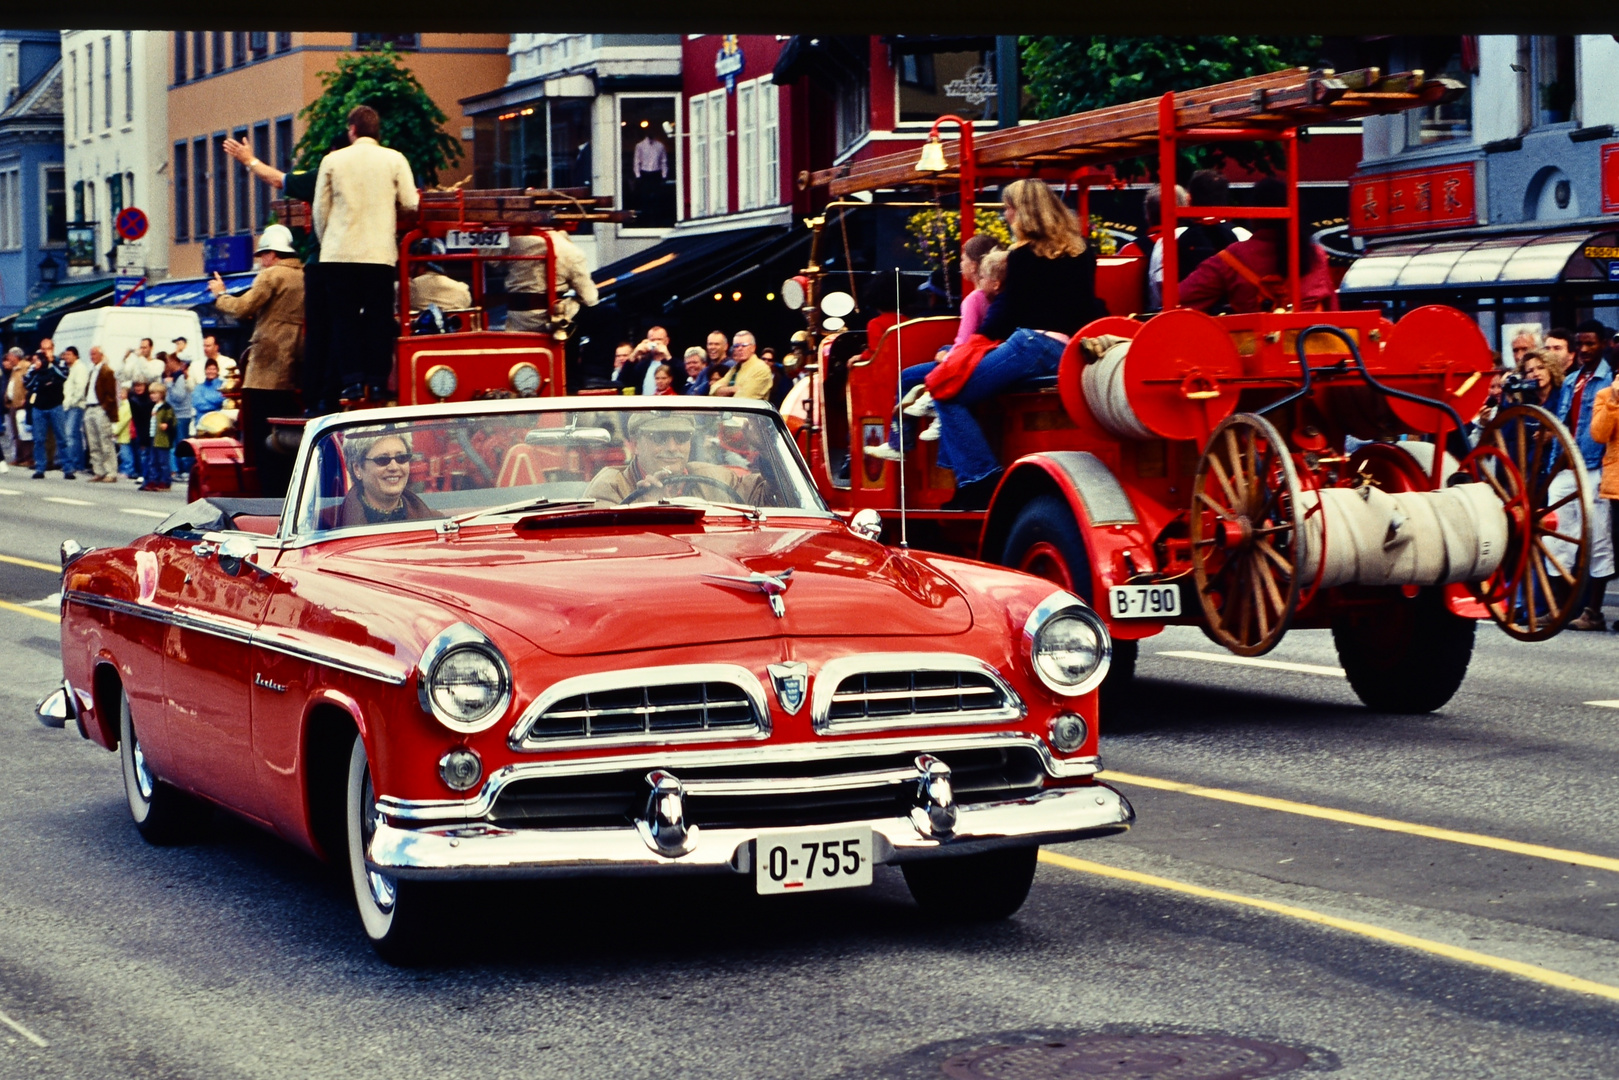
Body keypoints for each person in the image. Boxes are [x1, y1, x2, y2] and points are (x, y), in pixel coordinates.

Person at [934, 179, 1102, 510]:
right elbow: (1086, 308)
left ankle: (980, 479)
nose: (1006, 216)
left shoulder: (1022, 256)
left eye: (1008, 209)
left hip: (1030, 344)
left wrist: (975, 341)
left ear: (1023, 212)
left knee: (945, 389)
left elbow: (1009, 312)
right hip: (1065, 350)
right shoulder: (1083, 250)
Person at [312, 105, 419, 408]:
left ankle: (352, 383)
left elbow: (320, 210)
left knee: (343, 319)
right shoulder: (394, 159)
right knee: (379, 318)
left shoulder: (332, 160)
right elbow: (411, 202)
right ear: (376, 130)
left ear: (352, 130)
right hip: (378, 253)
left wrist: (328, 241)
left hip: (338, 253)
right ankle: (377, 380)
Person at [210, 224, 305, 498]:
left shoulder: (271, 275)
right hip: (295, 370)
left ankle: (267, 494)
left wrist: (220, 294)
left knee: (261, 439)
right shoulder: (303, 276)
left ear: (272, 254)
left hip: (266, 370)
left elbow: (243, 308)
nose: (262, 260)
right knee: (288, 439)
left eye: (263, 254)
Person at [1178, 177, 1338, 315]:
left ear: (1255, 214)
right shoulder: (1316, 256)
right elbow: (1334, 315)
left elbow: (1178, 299)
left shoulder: (1230, 259)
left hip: (1257, 348)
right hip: (1312, 347)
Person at [1549, 319, 1615, 630]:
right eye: (1581, 344)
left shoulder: (1608, 381)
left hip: (1594, 466)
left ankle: (1593, 611)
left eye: (1591, 343)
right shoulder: (1571, 379)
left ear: (1602, 344)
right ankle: (1559, 608)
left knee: (1598, 539)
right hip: (1566, 466)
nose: (1585, 349)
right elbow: (1564, 423)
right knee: (1557, 535)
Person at [583, 412, 766, 504]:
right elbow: (607, 550)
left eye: (681, 438)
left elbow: (770, 500)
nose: (672, 448)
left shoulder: (715, 478)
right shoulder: (611, 486)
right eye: (659, 438)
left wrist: (766, 450)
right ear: (636, 444)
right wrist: (651, 509)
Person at [335, 431, 441, 528]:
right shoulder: (330, 524)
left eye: (401, 458)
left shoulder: (434, 522)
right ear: (357, 469)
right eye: (382, 459)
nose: (394, 467)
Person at [504, 229, 599, 335]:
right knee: (611, 315)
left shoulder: (514, 242)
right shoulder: (571, 251)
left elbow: (492, 260)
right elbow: (590, 298)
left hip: (517, 318)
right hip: (549, 318)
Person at [24, 346, 71, 479]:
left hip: (55, 406)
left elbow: (63, 376)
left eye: (38, 360)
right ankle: (40, 467)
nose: (37, 362)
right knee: (39, 440)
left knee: (62, 438)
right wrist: (36, 370)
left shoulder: (58, 363)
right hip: (39, 407)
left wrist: (51, 363)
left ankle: (67, 468)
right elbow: (27, 384)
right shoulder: (34, 368)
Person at [406, 237, 471, 313]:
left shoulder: (407, 288)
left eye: (412, 264)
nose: (410, 269)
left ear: (422, 264)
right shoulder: (463, 289)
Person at [83, 346, 119, 482]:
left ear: (101, 355)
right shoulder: (92, 371)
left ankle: (111, 471)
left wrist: (105, 407)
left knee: (105, 441)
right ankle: (98, 470)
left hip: (100, 408)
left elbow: (111, 393)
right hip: (90, 406)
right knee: (93, 442)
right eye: (91, 354)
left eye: (95, 354)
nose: (92, 357)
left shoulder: (107, 371)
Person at [710, 330, 773, 400]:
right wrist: (732, 390)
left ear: (753, 348)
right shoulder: (735, 368)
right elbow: (713, 390)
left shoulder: (761, 369)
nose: (740, 349)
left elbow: (742, 400)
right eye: (736, 346)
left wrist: (723, 391)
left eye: (744, 345)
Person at [58, 345, 89, 477]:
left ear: (76, 355)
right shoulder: (67, 368)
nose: (66, 357)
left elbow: (80, 388)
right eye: (65, 354)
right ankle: (76, 463)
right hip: (66, 405)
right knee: (73, 435)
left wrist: (71, 402)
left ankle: (73, 463)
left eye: (69, 354)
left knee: (70, 434)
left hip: (75, 405)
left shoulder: (80, 368)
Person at [163, 351, 194, 477]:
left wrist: (169, 385)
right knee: (174, 444)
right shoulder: (174, 376)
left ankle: (186, 470)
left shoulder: (180, 377)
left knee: (182, 443)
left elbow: (179, 396)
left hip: (181, 415)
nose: (167, 364)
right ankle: (177, 470)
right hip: (173, 414)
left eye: (169, 361)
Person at [142, 381, 175, 491]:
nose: (152, 396)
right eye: (151, 393)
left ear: (162, 394)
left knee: (163, 462)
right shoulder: (152, 407)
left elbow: (172, 421)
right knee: (153, 461)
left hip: (163, 439)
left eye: (155, 393)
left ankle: (165, 481)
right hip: (153, 437)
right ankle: (153, 480)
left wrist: (167, 425)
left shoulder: (166, 408)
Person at [4, 347, 31, 467]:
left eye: (10, 356)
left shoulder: (25, 367)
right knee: (16, 433)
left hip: (22, 405)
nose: (8, 358)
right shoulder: (15, 370)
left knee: (24, 432)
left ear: (16, 356)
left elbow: (27, 385)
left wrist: (25, 399)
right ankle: (19, 457)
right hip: (13, 404)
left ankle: (28, 457)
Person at [127, 378, 152, 483]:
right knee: (141, 452)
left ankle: (150, 474)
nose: (138, 388)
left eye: (141, 386)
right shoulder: (133, 399)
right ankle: (142, 473)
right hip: (139, 427)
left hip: (150, 426)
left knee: (150, 453)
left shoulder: (150, 399)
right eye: (136, 386)